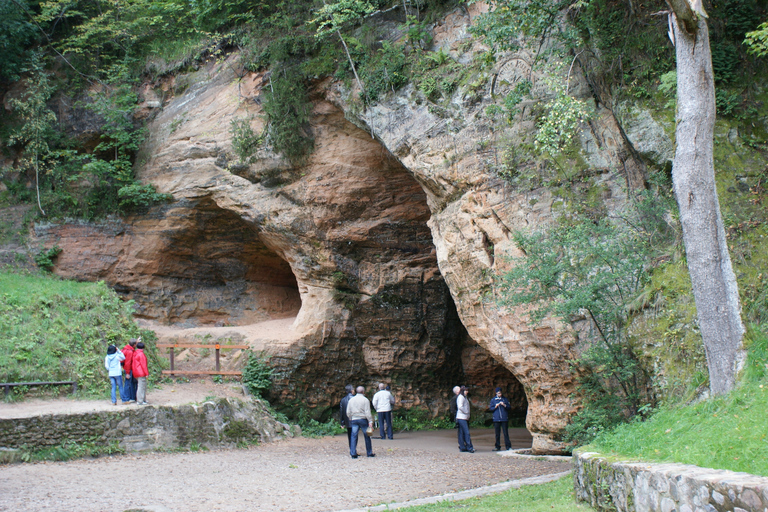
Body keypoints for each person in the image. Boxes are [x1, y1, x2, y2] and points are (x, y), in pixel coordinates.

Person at [346, 385, 375, 458]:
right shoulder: (365, 400)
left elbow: (348, 411)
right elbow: (367, 412)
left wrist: (350, 417)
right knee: (367, 436)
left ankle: (353, 453)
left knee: (354, 436)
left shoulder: (351, 400)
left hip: (354, 419)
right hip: (363, 419)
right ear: (363, 392)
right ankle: (369, 452)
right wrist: (370, 421)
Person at [489, 387, 512, 451]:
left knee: (505, 433)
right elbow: (491, 408)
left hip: (504, 418)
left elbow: (509, 407)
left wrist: (504, 405)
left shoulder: (505, 399)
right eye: (498, 393)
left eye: (500, 393)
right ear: (496, 393)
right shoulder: (493, 400)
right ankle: (497, 446)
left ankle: (508, 446)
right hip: (496, 419)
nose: (500, 394)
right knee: (497, 434)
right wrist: (495, 406)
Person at [455, 385, 474, 453]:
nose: (467, 392)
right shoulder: (461, 397)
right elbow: (460, 407)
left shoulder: (463, 397)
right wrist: (466, 412)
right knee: (466, 432)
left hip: (463, 417)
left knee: (462, 433)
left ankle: (463, 447)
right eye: (466, 391)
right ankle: (469, 447)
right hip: (462, 417)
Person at [120, 338, 138, 404]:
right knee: (127, 384)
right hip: (129, 369)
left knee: (130, 383)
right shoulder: (130, 352)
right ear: (133, 345)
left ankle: (130, 397)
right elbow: (128, 363)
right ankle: (126, 399)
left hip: (127, 369)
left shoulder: (126, 348)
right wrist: (127, 373)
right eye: (136, 344)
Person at [133, 341, 149, 405]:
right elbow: (143, 365)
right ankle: (140, 401)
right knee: (141, 387)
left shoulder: (135, 353)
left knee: (141, 386)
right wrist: (146, 373)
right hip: (141, 372)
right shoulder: (141, 354)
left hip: (136, 372)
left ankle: (143, 399)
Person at [340, 384, 355, 450]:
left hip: (347, 420)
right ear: (351, 390)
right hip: (354, 419)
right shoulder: (354, 398)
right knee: (354, 435)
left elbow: (341, 412)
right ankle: (353, 450)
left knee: (349, 435)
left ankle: (351, 449)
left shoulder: (343, 400)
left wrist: (342, 422)